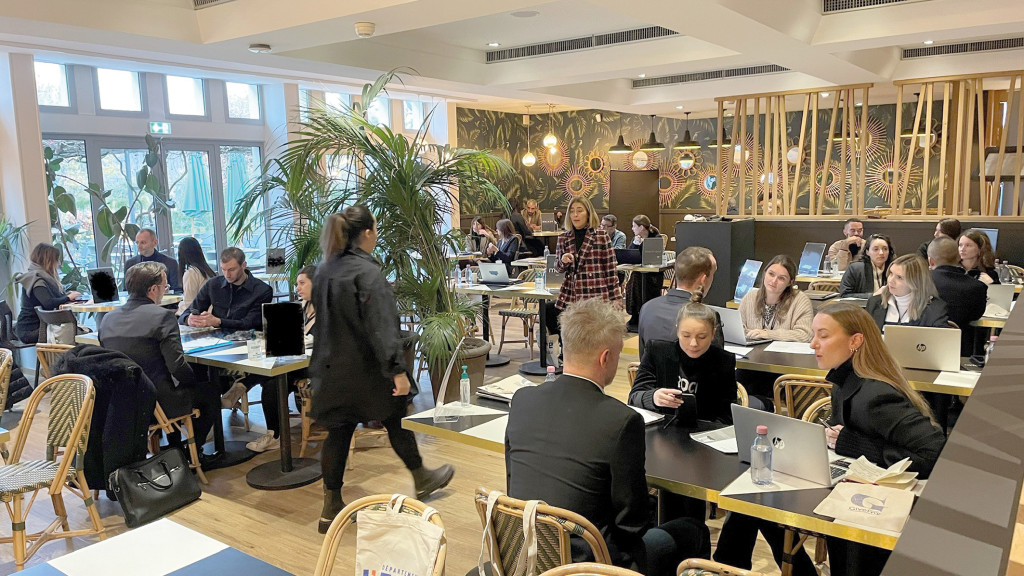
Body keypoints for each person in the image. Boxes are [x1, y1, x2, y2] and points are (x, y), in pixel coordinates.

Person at [505, 298, 709, 576]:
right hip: (591, 565)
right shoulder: (621, 421)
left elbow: (513, 483)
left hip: (525, 553)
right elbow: (632, 524)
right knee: (693, 531)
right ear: (605, 358)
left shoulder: (522, 400)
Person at [311, 206, 453, 534]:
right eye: (374, 228)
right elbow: (382, 326)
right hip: (366, 369)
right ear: (367, 233)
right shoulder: (368, 273)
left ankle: (330, 506)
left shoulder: (324, 270)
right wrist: (397, 370)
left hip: (330, 369)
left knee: (338, 433)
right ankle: (421, 477)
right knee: (396, 418)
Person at [813, 302, 946, 576]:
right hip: (859, 494)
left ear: (855, 341)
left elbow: (936, 454)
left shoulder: (875, 395)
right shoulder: (844, 381)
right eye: (813, 335)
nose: (813, 344)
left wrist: (854, 445)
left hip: (884, 512)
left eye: (823, 336)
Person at [98, 261, 220, 461]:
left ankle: (176, 449)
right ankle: (190, 453)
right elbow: (176, 366)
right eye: (165, 286)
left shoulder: (108, 319)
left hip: (120, 403)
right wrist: (192, 381)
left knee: (178, 388)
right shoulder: (162, 317)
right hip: (156, 402)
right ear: (153, 289)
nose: (165, 290)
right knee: (210, 392)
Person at [629, 292, 736, 424]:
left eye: (702, 337)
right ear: (677, 330)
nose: (693, 344)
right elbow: (634, 397)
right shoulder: (657, 352)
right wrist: (653, 397)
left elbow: (728, 415)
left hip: (704, 432)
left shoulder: (724, 361)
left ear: (713, 333)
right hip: (663, 429)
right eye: (686, 336)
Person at [247, 265, 317, 453]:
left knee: (274, 378)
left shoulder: (330, 311)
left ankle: (243, 385)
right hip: (296, 363)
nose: (298, 288)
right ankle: (274, 434)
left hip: (320, 366)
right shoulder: (299, 307)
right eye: (297, 284)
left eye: (302, 283)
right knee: (272, 382)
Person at [545, 197, 623, 353]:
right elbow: (558, 268)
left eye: (579, 210)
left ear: (588, 213)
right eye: (572, 211)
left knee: (595, 335)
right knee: (563, 325)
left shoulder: (601, 235)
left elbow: (610, 268)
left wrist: (616, 297)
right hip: (572, 292)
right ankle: (566, 354)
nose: (575, 215)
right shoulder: (564, 237)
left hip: (596, 293)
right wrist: (563, 260)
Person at [638, 247, 723, 358]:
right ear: (703, 280)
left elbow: (643, 357)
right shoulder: (707, 316)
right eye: (712, 274)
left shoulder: (647, 308)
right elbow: (717, 363)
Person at [179, 247, 273, 330]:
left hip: (248, 338)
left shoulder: (262, 290)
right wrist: (189, 319)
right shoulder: (213, 284)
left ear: (243, 265)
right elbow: (187, 313)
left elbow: (249, 323)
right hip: (217, 338)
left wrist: (218, 322)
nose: (227, 275)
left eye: (232, 270)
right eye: (223, 269)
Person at [928, 236, 986, 355]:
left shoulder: (918, 283)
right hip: (961, 350)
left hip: (922, 345)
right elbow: (976, 316)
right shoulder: (977, 287)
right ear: (959, 257)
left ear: (931, 261)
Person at [15, 243, 81, 344]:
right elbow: (48, 303)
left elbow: (49, 299)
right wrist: (67, 298)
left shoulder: (38, 277)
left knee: (77, 332)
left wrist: (66, 296)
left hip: (36, 327)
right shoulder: (36, 279)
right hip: (31, 331)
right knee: (78, 333)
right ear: (49, 261)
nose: (59, 264)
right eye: (56, 260)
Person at [737, 255, 813, 343]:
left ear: (790, 283)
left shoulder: (800, 300)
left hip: (783, 351)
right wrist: (751, 333)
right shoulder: (750, 297)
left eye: (781, 278)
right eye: (771, 274)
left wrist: (768, 334)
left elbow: (805, 335)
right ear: (765, 273)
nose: (774, 281)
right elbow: (737, 328)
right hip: (752, 350)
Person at [865, 254, 949, 331]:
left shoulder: (935, 310)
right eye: (891, 273)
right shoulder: (874, 303)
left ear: (916, 282)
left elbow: (942, 340)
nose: (891, 280)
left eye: (899, 277)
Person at [624, 215, 664, 332]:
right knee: (633, 282)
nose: (632, 229)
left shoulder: (656, 238)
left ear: (641, 227)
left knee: (637, 281)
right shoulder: (636, 239)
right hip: (639, 273)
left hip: (652, 275)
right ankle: (635, 315)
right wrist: (635, 244)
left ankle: (643, 317)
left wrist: (641, 245)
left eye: (634, 226)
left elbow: (650, 257)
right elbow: (630, 255)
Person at [839, 233, 894, 298]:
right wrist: (873, 295)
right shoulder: (855, 268)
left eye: (885, 249)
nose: (881, 253)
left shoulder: (893, 269)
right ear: (867, 252)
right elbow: (844, 294)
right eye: (876, 249)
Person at [176, 237, 216, 316]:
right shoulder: (208, 270)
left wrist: (178, 309)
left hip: (199, 314)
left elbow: (189, 304)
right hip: (209, 312)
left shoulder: (191, 273)